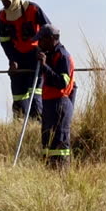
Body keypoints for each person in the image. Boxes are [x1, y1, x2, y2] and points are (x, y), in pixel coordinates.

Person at [0, 0, 50, 121]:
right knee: (18, 96)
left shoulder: (33, 9)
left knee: (35, 95)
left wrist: (43, 52)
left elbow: (49, 31)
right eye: (3, 3)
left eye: (7, 2)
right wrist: (12, 59)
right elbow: (5, 41)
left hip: (35, 56)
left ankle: (37, 126)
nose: (5, 5)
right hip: (17, 58)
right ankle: (19, 125)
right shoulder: (2, 16)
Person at [35, 25, 76, 169]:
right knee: (47, 144)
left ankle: (61, 176)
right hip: (49, 105)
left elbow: (62, 83)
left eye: (41, 40)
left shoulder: (63, 56)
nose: (39, 43)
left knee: (59, 144)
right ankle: (48, 176)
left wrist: (45, 66)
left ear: (51, 39)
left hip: (60, 105)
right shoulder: (50, 54)